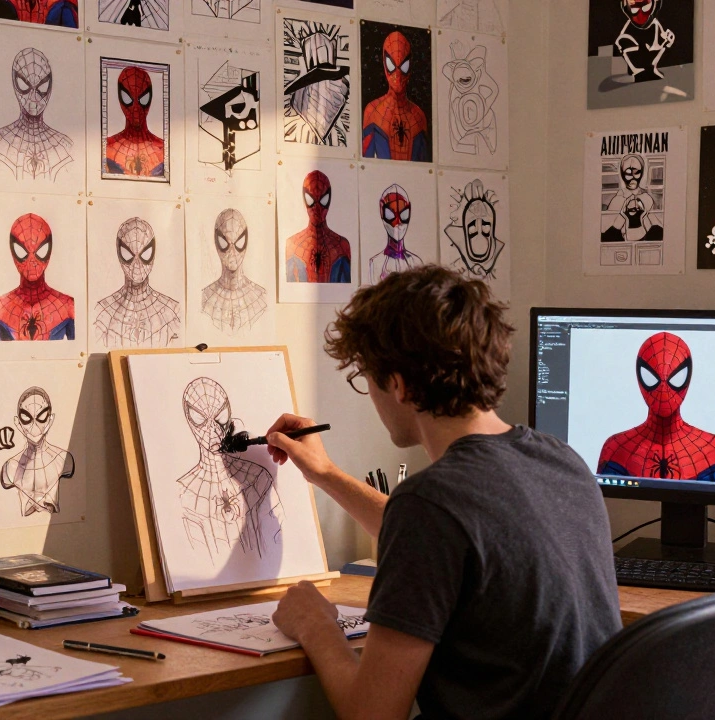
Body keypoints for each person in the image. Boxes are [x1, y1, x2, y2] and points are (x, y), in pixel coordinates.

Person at [266, 265, 620, 719]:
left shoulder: (430, 505)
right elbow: (451, 540)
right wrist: (326, 474)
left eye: (367, 378)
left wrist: (316, 627)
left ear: (398, 384)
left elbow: (371, 715)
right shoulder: (561, 461)